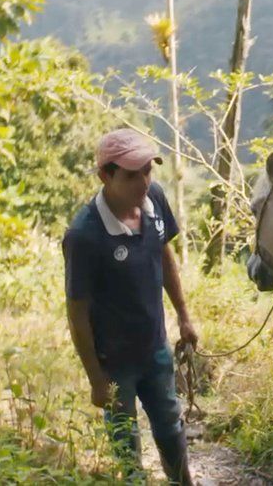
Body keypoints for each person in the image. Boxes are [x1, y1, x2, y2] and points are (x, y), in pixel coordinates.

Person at [63, 128, 197, 485]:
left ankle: (183, 482)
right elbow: (76, 310)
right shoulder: (85, 235)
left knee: (170, 426)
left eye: (147, 171)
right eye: (131, 174)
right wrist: (95, 378)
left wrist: (184, 316)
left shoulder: (154, 198)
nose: (143, 182)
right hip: (114, 361)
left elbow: (164, 254)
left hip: (155, 348)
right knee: (126, 440)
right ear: (105, 175)